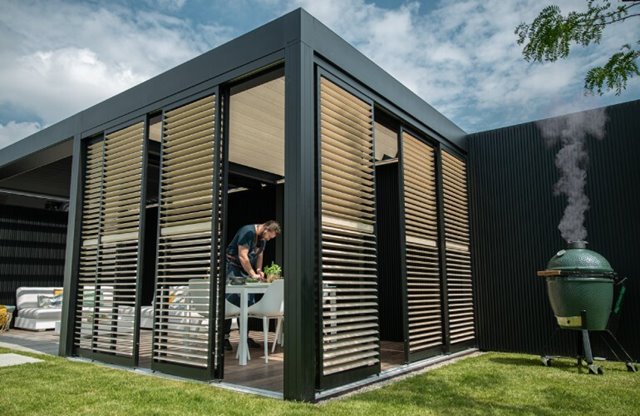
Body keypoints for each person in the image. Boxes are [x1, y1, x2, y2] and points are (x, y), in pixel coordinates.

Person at [224, 220, 281, 351]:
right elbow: (243, 256)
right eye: (269, 236)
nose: (268, 239)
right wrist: (252, 274)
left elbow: (260, 255)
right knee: (230, 300)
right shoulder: (248, 231)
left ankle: (244, 336)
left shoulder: (262, 239)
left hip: (246, 269)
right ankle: (224, 338)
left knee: (248, 302)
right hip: (233, 266)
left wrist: (259, 271)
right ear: (265, 228)